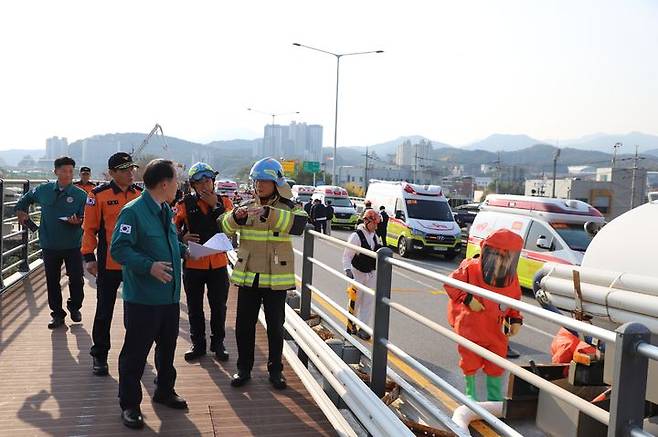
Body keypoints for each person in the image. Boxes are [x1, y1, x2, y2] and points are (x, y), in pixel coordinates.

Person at [111, 159, 189, 429]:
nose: (178, 186)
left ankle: (165, 390)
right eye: (176, 181)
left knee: (167, 349)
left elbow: (166, 242)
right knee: (135, 353)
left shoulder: (164, 209)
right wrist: (149, 266)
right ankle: (130, 404)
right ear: (164, 184)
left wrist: (185, 248)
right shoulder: (133, 212)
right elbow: (119, 249)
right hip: (144, 298)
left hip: (168, 297)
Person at [219, 157, 307, 390]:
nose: (259, 185)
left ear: (276, 183)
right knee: (243, 326)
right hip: (249, 276)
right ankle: (243, 369)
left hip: (275, 279)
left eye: (264, 181)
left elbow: (300, 224)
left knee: (276, 327)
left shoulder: (288, 207)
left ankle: (275, 371)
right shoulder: (246, 206)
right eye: (256, 181)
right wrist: (233, 217)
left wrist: (269, 213)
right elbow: (224, 226)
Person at [444, 228, 523, 402]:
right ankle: (471, 395)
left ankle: (494, 399)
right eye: (498, 255)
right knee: (470, 360)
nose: (502, 260)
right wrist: (467, 298)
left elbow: (514, 300)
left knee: (496, 361)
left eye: (507, 256)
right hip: (471, 326)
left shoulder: (512, 277)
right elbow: (450, 284)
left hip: (496, 329)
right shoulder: (470, 268)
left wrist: (516, 318)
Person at [83, 152, 142, 376]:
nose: (131, 173)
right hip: (108, 264)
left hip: (135, 264)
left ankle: (135, 353)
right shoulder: (98, 195)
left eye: (132, 169)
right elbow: (89, 228)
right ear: (112, 173)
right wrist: (89, 257)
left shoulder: (140, 194)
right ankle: (100, 355)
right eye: (125, 169)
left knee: (136, 311)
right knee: (103, 312)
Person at [15, 156, 87, 329]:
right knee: (52, 281)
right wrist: (21, 211)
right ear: (56, 172)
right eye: (64, 170)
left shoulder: (80, 195)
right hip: (49, 244)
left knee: (77, 279)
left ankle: (74, 306)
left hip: (73, 244)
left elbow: (86, 219)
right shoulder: (43, 189)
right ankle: (57, 315)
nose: (68, 174)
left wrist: (77, 221)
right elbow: (24, 200)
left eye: (70, 171)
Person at [174, 162, 233, 362]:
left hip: (217, 264)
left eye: (208, 181)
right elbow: (171, 229)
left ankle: (218, 344)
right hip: (193, 263)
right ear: (193, 185)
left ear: (213, 182)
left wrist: (215, 205)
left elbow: (230, 228)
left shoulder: (225, 203)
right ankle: (198, 344)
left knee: (219, 306)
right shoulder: (184, 204)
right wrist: (182, 237)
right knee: (194, 306)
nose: (205, 186)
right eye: (199, 183)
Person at [342, 209, 382, 340]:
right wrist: (347, 270)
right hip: (357, 272)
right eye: (374, 223)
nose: (376, 226)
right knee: (355, 300)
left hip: (370, 273)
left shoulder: (375, 236)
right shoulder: (356, 236)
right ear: (367, 221)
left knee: (368, 302)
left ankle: (363, 328)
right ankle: (351, 324)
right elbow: (347, 255)